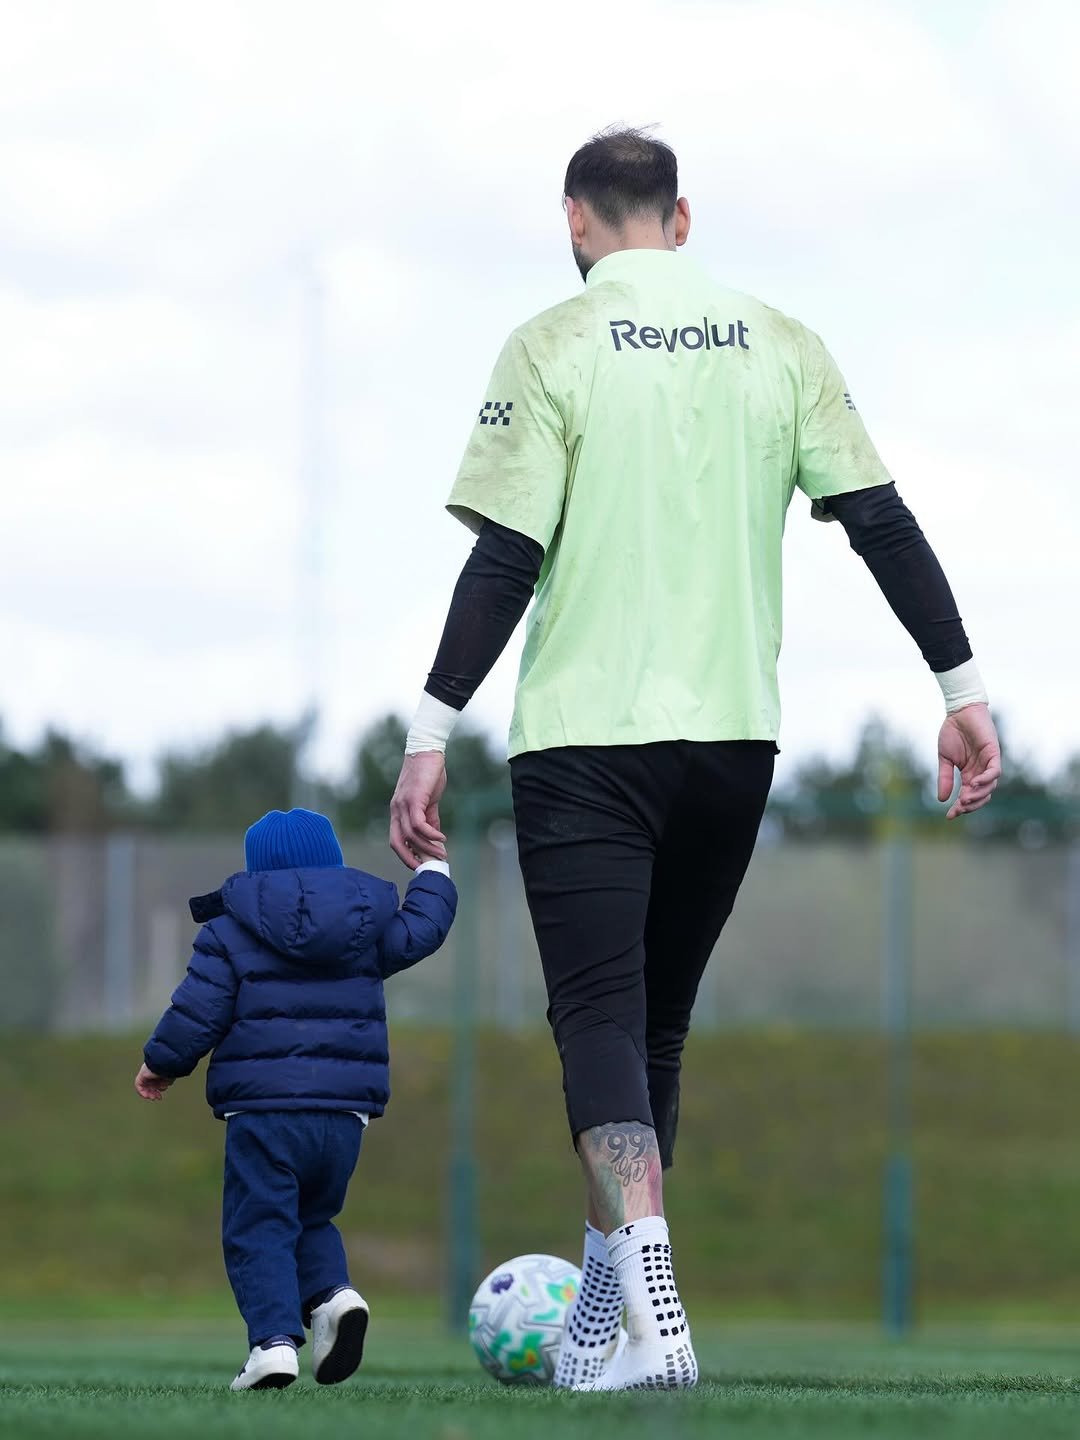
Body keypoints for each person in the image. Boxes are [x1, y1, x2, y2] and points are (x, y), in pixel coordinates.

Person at [389, 128, 1001, 1391]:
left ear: (575, 220)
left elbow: (505, 559)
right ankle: (601, 1328)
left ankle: (655, 1306)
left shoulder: (551, 345)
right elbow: (880, 521)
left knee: (597, 1020)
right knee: (653, 1028)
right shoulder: (782, 341)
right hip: (734, 741)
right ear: (681, 219)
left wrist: (429, 732)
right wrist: (961, 690)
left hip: (586, 741)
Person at [134, 807, 457, 1390]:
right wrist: (432, 867)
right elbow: (424, 928)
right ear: (332, 861)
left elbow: (198, 1011)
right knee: (312, 1216)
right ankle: (334, 1297)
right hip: (345, 1114)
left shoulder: (230, 930)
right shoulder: (364, 925)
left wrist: (162, 1063)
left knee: (258, 1224)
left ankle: (272, 1344)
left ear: (255, 870)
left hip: (264, 1112)